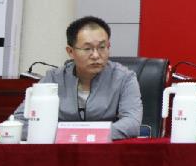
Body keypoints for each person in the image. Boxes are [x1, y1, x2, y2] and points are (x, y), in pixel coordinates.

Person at [13, 16, 142, 140]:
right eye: (87, 49)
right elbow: (19, 122)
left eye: (102, 47)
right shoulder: (53, 78)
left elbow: (132, 123)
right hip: (61, 150)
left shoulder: (124, 78)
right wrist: (68, 136)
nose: (96, 55)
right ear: (70, 52)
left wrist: (85, 135)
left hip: (106, 148)